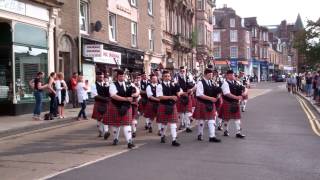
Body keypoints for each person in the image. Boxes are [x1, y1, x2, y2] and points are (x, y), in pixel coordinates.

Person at [107, 69, 139, 149]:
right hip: (116, 106)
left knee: (127, 124)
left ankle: (129, 142)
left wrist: (135, 94)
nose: (122, 77)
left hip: (126, 106)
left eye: (123, 76)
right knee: (116, 125)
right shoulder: (113, 85)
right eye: (120, 76)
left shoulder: (129, 84)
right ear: (117, 77)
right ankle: (115, 139)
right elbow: (113, 96)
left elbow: (138, 91)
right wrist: (126, 99)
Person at [193, 68, 221, 143]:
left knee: (212, 120)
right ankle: (200, 134)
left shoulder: (211, 82)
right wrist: (211, 98)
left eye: (212, 74)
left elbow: (215, 90)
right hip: (202, 103)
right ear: (205, 74)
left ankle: (212, 136)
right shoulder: (200, 83)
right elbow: (199, 94)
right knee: (201, 120)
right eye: (210, 74)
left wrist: (218, 94)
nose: (211, 75)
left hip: (210, 103)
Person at [156, 70, 181, 147]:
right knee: (164, 123)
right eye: (166, 76)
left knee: (173, 123)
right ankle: (163, 135)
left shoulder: (173, 85)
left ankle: (174, 139)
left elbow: (178, 94)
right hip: (163, 105)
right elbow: (159, 97)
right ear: (162, 77)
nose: (167, 77)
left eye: (168, 76)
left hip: (172, 105)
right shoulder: (159, 86)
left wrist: (178, 92)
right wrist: (171, 97)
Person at [219, 70, 247, 138]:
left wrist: (244, 93)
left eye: (233, 75)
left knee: (237, 118)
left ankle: (238, 132)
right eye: (231, 75)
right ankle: (226, 131)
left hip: (235, 102)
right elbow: (227, 94)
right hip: (227, 102)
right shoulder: (225, 83)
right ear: (227, 76)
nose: (233, 76)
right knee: (226, 118)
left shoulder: (236, 82)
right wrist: (237, 97)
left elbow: (244, 88)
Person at [175, 66, 195, 133]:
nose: (182, 72)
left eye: (183, 71)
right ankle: (181, 124)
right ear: (179, 71)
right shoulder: (176, 77)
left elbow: (194, 85)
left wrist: (191, 90)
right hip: (180, 95)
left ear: (185, 71)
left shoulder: (189, 77)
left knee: (187, 112)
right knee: (181, 112)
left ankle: (187, 126)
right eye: (181, 71)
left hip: (188, 95)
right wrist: (182, 93)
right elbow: (176, 86)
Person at [91, 72, 111, 140]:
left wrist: (108, 86)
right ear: (97, 77)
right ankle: (100, 131)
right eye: (100, 77)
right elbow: (95, 95)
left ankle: (106, 132)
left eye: (102, 77)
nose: (101, 78)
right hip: (99, 103)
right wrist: (105, 99)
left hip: (106, 103)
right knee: (99, 119)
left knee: (105, 118)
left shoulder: (106, 84)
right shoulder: (94, 85)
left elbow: (110, 93)